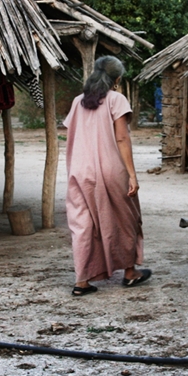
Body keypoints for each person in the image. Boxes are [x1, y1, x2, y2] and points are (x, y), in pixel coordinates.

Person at [63, 56, 151, 296]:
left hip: (79, 172)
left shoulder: (77, 102)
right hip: (110, 170)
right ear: (117, 79)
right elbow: (122, 138)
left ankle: (81, 282)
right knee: (126, 219)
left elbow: (73, 133)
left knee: (82, 225)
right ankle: (130, 273)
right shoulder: (117, 100)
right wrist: (132, 175)